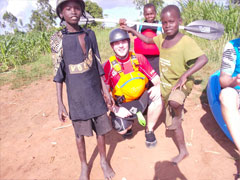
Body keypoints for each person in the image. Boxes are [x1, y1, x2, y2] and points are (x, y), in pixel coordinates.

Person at [120, 4, 208, 164]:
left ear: (180, 21)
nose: (167, 26)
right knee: (173, 126)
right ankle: (183, 150)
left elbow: (203, 59)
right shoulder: (161, 39)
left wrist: (185, 75)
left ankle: (177, 112)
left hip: (181, 85)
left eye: (171, 22)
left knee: (175, 103)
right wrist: (132, 31)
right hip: (167, 86)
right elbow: (147, 39)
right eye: (164, 23)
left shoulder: (186, 41)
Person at [50, 0, 115, 179]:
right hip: (76, 97)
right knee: (79, 134)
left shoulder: (90, 34)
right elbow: (58, 74)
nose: (74, 12)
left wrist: (106, 90)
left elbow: (98, 63)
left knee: (101, 130)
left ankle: (103, 161)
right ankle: (84, 165)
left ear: (82, 11)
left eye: (77, 8)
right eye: (68, 8)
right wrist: (60, 103)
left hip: (94, 92)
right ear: (61, 13)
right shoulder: (58, 40)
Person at [103, 28, 162, 148]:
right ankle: (128, 125)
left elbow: (156, 79)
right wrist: (115, 110)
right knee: (121, 128)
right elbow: (104, 95)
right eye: (117, 43)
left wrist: (158, 87)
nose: (121, 46)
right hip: (122, 104)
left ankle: (149, 130)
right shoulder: (108, 66)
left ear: (128, 43)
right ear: (112, 46)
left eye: (123, 42)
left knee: (158, 96)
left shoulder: (139, 58)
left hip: (141, 100)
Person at [219, 37, 240, 152]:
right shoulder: (233, 47)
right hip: (237, 90)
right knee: (226, 95)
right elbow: (223, 80)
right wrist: (234, 81)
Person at [131, 3, 162, 75]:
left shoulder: (161, 25)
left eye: (151, 14)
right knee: (144, 75)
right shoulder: (139, 25)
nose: (149, 16)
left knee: (156, 75)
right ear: (144, 15)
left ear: (155, 13)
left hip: (156, 58)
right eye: (147, 14)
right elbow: (128, 30)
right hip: (143, 57)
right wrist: (133, 40)